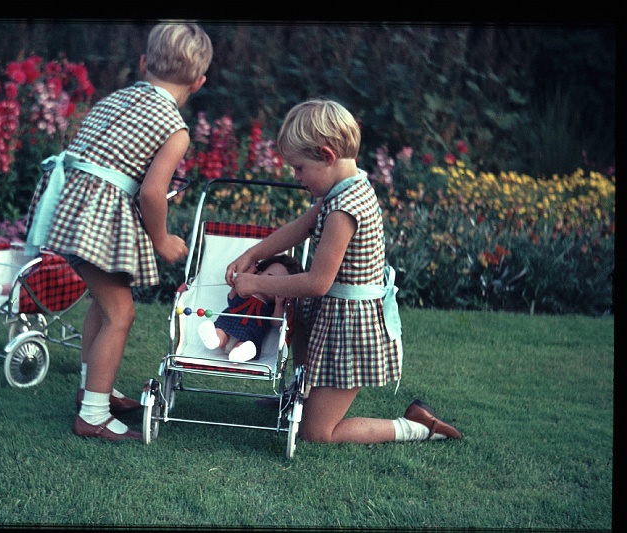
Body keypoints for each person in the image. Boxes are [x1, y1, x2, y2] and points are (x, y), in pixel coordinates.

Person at [225, 99, 462, 444]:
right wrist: (252, 253)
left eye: (300, 168)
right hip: (330, 311)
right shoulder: (343, 188)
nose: (296, 177)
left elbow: (317, 282)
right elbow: (301, 227)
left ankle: (417, 426)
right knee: (301, 337)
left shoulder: (344, 209)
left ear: (327, 155)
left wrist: (256, 282)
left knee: (317, 433)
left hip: (350, 324)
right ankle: (299, 398)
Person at [23, 22, 213, 442]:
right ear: (199, 82)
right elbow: (152, 194)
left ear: (144, 63)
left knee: (103, 302)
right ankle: (92, 416)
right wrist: (162, 239)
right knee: (120, 314)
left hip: (70, 208)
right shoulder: (175, 129)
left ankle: (93, 391)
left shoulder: (116, 100)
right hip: (96, 219)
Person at [198, 254, 303, 362]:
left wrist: (279, 304)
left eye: (277, 283)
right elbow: (232, 296)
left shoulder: (271, 307)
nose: (270, 283)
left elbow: (276, 322)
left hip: (249, 333)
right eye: (269, 275)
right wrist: (249, 272)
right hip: (229, 323)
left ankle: (240, 353)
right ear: (259, 274)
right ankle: (214, 339)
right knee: (220, 332)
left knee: (246, 344)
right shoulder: (244, 292)